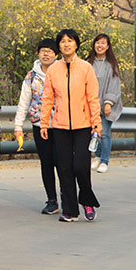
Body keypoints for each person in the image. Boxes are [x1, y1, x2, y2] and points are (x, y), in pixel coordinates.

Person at [40, 29, 102, 222]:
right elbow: (47, 99)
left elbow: (93, 98)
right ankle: (70, 211)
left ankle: (87, 201)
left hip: (83, 125)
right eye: (63, 41)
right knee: (65, 168)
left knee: (81, 167)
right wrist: (44, 123)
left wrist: (96, 123)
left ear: (76, 44)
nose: (66, 44)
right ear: (59, 46)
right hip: (60, 127)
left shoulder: (86, 68)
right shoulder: (53, 70)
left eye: (70, 41)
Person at [14, 38, 60, 214]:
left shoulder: (63, 72)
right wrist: (18, 126)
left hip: (61, 124)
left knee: (62, 162)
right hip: (40, 125)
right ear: (38, 54)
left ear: (56, 55)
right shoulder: (31, 76)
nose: (46, 54)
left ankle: (67, 196)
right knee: (46, 163)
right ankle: (52, 200)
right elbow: (24, 102)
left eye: (50, 51)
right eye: (43, 51)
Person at [88, 34, 123, 174]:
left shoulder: (111, 65)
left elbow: (114, 86)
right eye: (98, 42)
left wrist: (108, 103)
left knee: (105, 134)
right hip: (91, 105)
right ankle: (97, 156)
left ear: (108, 46)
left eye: (103, 43)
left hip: (106, 105)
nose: (100, 46)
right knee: (94, 133)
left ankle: (104, 161)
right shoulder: (88, 63)